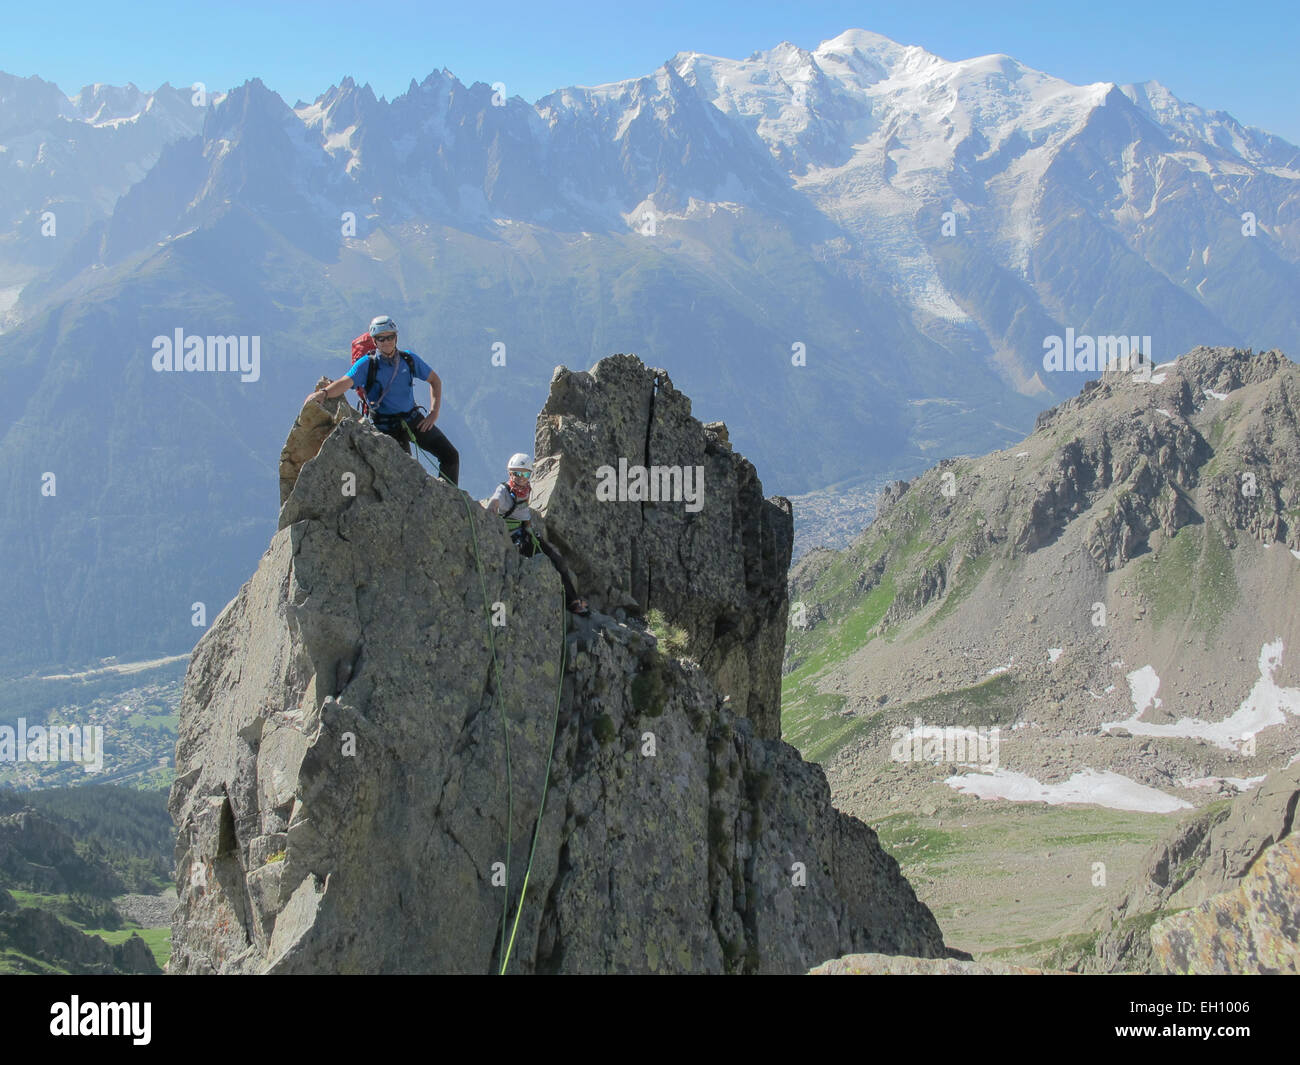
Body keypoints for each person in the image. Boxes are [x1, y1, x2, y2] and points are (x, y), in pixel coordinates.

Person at [306, 315, 460, 485]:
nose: (386, 342)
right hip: (387, 428)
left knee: (450, 456)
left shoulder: (408, 360)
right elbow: (345, 382)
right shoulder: (366, 365)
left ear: (396, 337)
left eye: (390, 337)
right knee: (406, 476)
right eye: (381, 338)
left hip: (413, 419)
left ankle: (450, 500)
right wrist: (323, 393)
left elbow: (435, 381)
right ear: (374, 341)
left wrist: (434, 413)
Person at [486, 454, 588, 616]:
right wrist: (491, 510)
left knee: (557, 559)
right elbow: (495, 502)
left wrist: (530, 529)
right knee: (544, 564)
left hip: (526, 532)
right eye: (516, 473)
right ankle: (571, 602)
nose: (520, 478)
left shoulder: (525, 491)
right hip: (515, 537)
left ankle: (573, 601)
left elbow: (523, 513)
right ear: (510, 473)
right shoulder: (504, 491)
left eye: (525, 474)